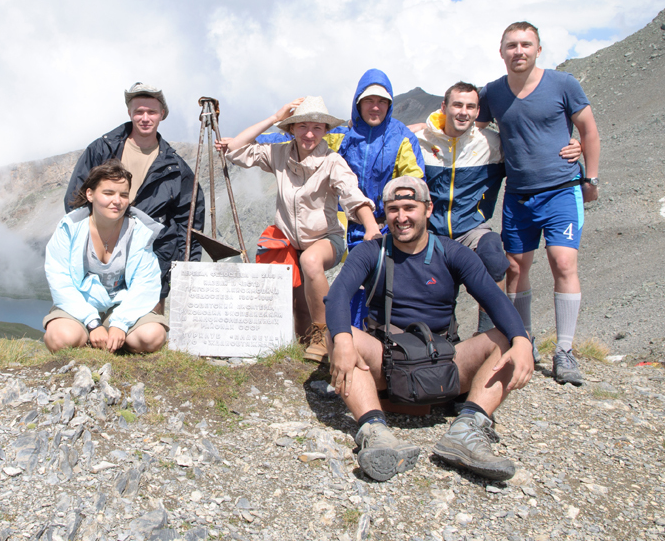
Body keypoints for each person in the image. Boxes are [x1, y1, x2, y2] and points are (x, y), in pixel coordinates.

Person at [325, 176, 533, 482]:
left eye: (410, 207)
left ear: (428, 209)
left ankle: (468, 430)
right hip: (387, 361)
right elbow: (337, 296)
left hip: (444, 364)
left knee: (505, 339)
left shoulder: (452, 252)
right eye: (393, 209)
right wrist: (342, 339)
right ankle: (376, 432)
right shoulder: (371, 252)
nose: (401, 217)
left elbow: (495, 299)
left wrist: (522, 341)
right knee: (339, 335)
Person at [415, 82, 581, 354]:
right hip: (431, 230)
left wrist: (579, 146)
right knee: (426, 278)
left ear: (478, 111)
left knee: (494, 254)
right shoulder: (421, 140)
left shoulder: (492, 143)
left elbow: (534, 155)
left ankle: (486, 334)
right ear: (444, 107)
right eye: (457, 105)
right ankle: (440, 333)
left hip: (472, 228)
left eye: (470, 106)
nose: (463, 112)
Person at [476, 22, 601, 386]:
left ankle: (564, 351)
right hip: (518, 195)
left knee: (563, 261)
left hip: (562, 189)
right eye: (511, 45)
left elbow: (588, 130)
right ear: (501, 52)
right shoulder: (493, 93)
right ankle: (524, 342)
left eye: (526, 44)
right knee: (515, 268)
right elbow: (469, 129)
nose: (519, 51)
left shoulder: (564, 84)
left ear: (538, 49)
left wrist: (590, 178)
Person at [216, 95, 380, 362]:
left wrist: (371, 226)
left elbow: (352, 194)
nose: (309, 133)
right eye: (302, 125)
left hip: (326, 239)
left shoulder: (332, 162)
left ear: (326, 131)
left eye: (317, 127)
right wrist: (274, 117)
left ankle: (326, 335)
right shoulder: (280, 154)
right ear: (291, 128)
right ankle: (306, 352)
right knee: (299, 305)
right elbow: (235, 150)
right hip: (289, 242)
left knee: (311, 261)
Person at [65, 82, 205, 308]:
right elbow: (76, 199)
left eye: (151, 111)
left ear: (162, 115)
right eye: (139, 111)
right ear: (129, 113)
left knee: (146, 339)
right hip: (99, 259)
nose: (145, 117)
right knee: (91, 334)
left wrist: (176, 274)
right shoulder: (101, 150)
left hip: (152, 262)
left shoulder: (178, 169)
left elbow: (188, 226)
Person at [326, 69, 425, 327]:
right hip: (340, 223)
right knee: (344, 282)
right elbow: (294, 139)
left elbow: (413, 181)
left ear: (389, 104)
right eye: (369, 100)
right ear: (358, 102)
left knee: (374, 282)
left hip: (381, 224)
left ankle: (366, 338)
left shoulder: (402, 137)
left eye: (382, 101)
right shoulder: (340, 134)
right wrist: (240, 142)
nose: (375, 107)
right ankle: (337, 335)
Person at [44, 160, 168, 354]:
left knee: (152, 337)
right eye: (108, 193)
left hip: (123, 305)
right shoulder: (69, 228)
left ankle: (114, 339)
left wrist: (120, 323)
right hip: (79, 306)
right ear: (90, 194)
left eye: (123, 195)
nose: (117, 201)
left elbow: (146, 283)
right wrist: (92, 322)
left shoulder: (140, 231)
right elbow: (60, 280)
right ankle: (90, 336)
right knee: (61, 338)